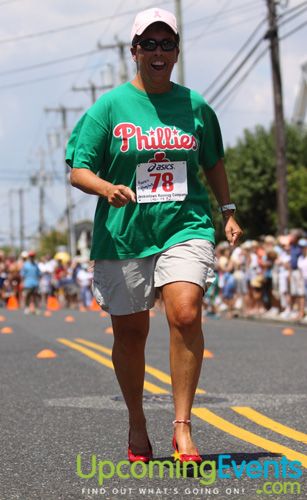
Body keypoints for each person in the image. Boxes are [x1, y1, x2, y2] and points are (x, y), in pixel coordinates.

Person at [66, 7, 243, 463]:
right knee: (130, 333)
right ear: (135, 52)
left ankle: (182, 425)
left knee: (185, 313)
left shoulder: (195, 106)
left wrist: (227, 211)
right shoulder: (108, 108)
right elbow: (78, 169)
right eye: (150, 44)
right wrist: (107, 187)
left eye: (168, 44)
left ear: (177, 52)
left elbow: (214, 162)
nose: (159, 52)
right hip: (123, 233)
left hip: (184, 225)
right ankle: (137, 422)